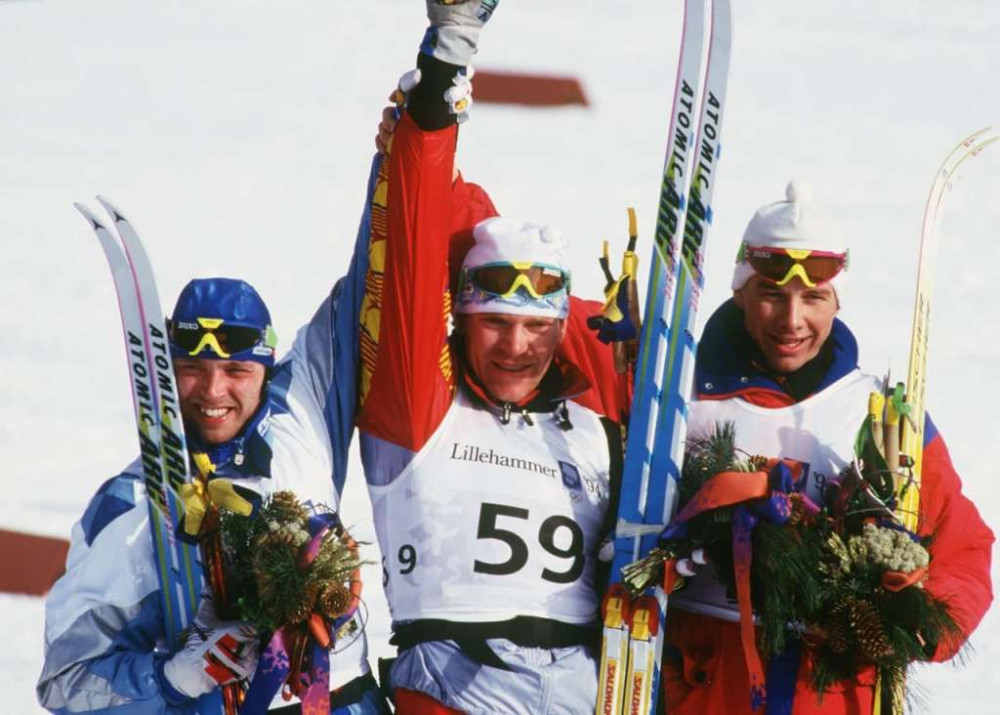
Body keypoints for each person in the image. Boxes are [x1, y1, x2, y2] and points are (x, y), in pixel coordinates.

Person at [353, 2, 633, 712]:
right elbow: (418, 254)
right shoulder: (419, 406)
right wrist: (443, 70)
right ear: (460, 319)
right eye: (493, 324)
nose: (515, 346)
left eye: (536, 327)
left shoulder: (596, 428)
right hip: (454, 688)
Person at [662, 180, 995, 713]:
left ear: (837, 301)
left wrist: (916, 616)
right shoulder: (676, 394)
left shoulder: (879, 416)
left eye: (814, 298)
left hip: (831, 688)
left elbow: (963, 549)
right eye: (771, 294)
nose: (792, 321)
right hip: (705, 682)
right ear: (739, 292)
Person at [38, 276, 387, 714]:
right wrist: (171, 680)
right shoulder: (129, 508)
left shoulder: (302, 412)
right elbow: (65, 683)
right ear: (166, 370)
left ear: (267, 366)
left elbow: (371, 281)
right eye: (192, 370)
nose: (213, 391)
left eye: (236, 370)